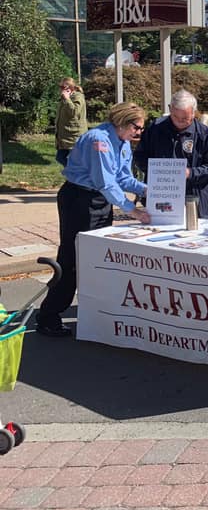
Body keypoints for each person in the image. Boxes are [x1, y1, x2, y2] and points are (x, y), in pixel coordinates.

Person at [35, 102, 150, 338]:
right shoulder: (99, 140)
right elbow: (104, 182)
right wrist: (132, 210)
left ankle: (96, 313)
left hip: (99, 200)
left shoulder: (124, 142)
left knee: (97, 258)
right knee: (73, 259)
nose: (139, 132)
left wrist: (149, 190)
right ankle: (48, 316)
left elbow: (123, 178)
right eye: (137, 127)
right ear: (123, 122)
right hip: (79, 199)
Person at [134, 90, 208, 220]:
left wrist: (190, 173)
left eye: (185, 118)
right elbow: (139, 156)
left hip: (195, 199)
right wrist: (158, 170)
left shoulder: (204, 134)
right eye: (175, 117)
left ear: (193, 113)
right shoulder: (155, 129)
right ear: (170, 109)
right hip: (162, 197)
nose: (180, 121)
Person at [54, 77, 88, 167]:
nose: (60, 89)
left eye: (62, 87)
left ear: (69, 88)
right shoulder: (64, 98)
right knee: (60, 157)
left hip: (74, 136)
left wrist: (67, 99)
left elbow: (74, 112)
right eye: (60, 87)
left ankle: (76, 175)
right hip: (64, 136)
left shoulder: (78, 97)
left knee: (74, 161)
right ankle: (74, 174)